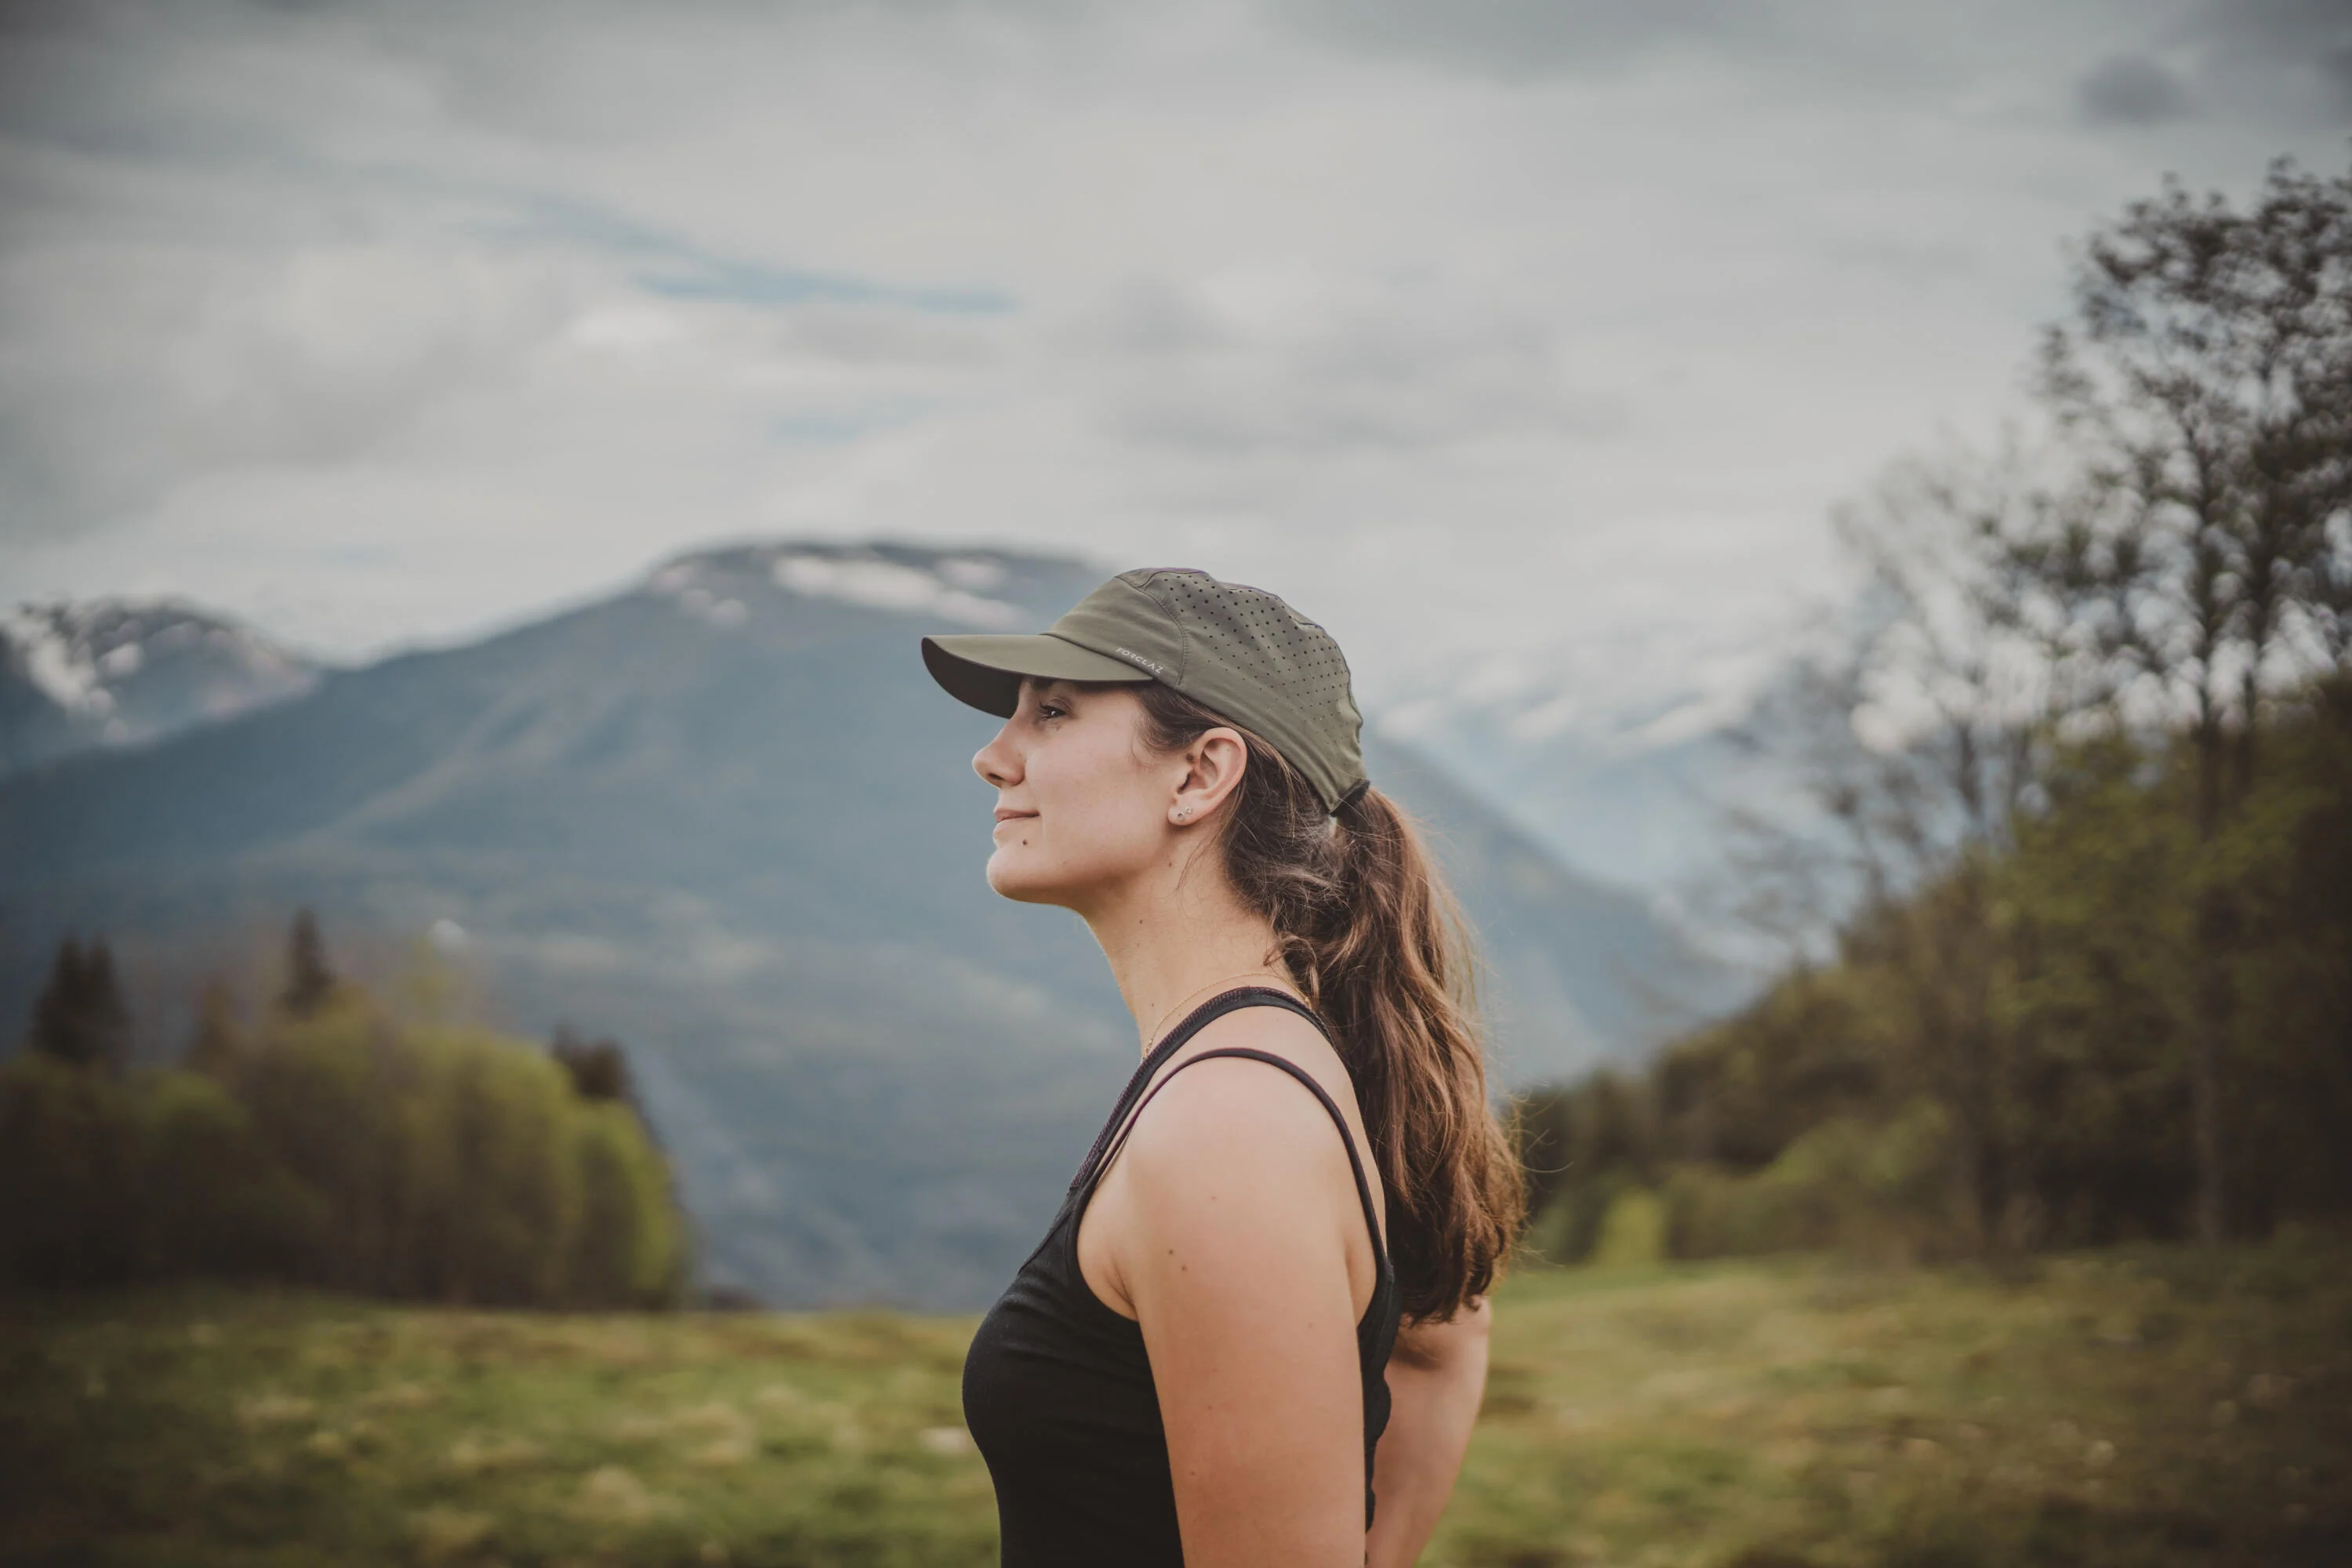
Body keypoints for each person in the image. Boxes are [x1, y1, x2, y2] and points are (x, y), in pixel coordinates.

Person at [923, 567, 1524, 1567]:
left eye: (1054, 714)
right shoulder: (1253, 1069)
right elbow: (1443, 1326)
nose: (994, 757)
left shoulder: (1227, 1130)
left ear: (1200, 774)